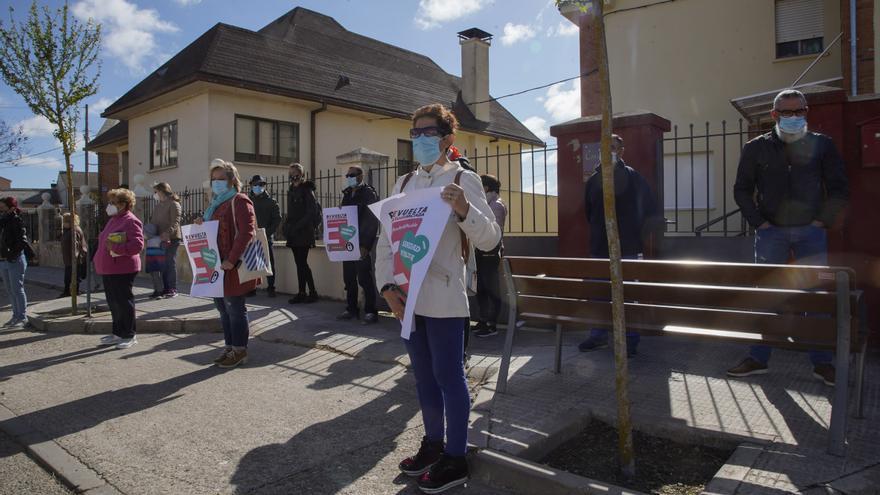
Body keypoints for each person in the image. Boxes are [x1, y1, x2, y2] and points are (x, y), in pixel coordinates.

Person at [376, 104, 502, 493]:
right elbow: (386, 242)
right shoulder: (402, 185)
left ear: (448, 139)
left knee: (450, 377)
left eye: (427, 133)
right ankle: (433, 445)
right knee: (424, 377)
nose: (419, 140)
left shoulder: (464, 179)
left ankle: (456, 457)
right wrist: (386, 288)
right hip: (408, 297)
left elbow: (490, 239)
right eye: (414, 134)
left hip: (446, 296)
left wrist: (464, 209)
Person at [727, 89, 849, 386]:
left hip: (811, 231)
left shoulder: (822, 145)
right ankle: (758, 358)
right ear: (774, 115)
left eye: (799, 111)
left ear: (806, 112)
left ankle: (822, 364)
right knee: (767, 293)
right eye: (787, 112)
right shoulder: (756, 148)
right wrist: (758, 222)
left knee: (815, 296)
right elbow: (742, 189)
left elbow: (838, 187)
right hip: (772, 233)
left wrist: (824, 221)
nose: (794, 117)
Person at [577, 134, 659, 356]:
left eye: (613, 147)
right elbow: (588, 211)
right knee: (599, 294)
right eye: (605, 147)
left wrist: (633, 233)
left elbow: (650, 210)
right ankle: (599, 335)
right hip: (599, 248)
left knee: (627, 295)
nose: (609, 151)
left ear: (622, 151)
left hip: (628, 249)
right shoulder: (594, 180)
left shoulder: (633, 177)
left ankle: (630, 339)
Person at [195, 159, 257, 368]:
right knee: (223, 309)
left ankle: (240, 350)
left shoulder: (239, 200)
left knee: (235, 309)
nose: (217, 183)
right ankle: (229, 347)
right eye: (214, 179)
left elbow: (247, 232)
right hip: (215, 266)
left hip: (232, 266)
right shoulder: (215, 204)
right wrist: (200, 224)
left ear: (232, 180)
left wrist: (232, 259)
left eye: (221, 179)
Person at [94, 188, 144, 349]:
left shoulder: (130, 220)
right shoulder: (114, 219)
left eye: (113, 203)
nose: (110, 206)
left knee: (123, 302)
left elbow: (137, 245)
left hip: (123, 268)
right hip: (109, 268)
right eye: (109, 202)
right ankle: (118, 333)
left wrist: (116, 246)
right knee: (113, 302)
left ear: (123, 205)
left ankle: (129, 334)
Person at [337, 165, 380, 324]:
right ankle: (351, 309)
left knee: (364, 278)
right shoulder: (347, 194)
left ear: (361, 176)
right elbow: (343, 217)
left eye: (352, 174)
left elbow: (371, 220)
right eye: (347, 175)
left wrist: (365, 245)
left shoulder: (369, 193)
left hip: (361, 242)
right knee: (349, 278)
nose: (349, 177)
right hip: (347, 242)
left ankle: (370, 311)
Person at [471, 174, 507, 338]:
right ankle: (483, 320)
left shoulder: (496, 205)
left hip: (490, 253)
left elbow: (494, 231)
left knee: (491, 288)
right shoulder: (489, 204)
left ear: (485, 188)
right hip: (481, 251)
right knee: (481, 289)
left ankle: (492, 324)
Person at [284, 163, 319, 304]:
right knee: (299, 263)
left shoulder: (307, 189)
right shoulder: (291, 189)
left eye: (296, 173)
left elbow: (311, 212)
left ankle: (312, 292)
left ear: (302, 174)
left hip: (303, 232)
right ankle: (301, 292)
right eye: (291, 173)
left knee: (302, 263)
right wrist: (287, 226)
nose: (293, 176)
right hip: (293, 232)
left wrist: (297, 226)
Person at [248, 175, 281, 297]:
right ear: (251, 185)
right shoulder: (248, 201)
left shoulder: (271, 202)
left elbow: (277, 219)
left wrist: (267, 233)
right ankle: (252, 287)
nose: (258, 187)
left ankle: (271, 287)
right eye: (255, 184)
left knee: (269, 263)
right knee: (252, 262)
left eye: (261, 184)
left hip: (267, 237)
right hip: (251, 237)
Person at [0, 197, 30, 328]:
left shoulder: (17, 220)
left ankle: (22, 317)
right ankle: (15, 316)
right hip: (3, 260)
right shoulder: (3, 222)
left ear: (11, 207)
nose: (1, 209)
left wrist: (12, 254)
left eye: (3, 207)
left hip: (15, 259)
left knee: (17, 289)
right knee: (10, 290)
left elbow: (22, 241)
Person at [150, 182, 182, 298]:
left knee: (169, 262)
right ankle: (163, 289)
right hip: (158, 239)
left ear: (162, 191)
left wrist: (167, 233)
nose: (155, 194)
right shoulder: (158, 206)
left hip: (172, 238)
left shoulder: (174, 204)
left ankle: (172, 288)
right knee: (161, 264)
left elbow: (176, 221)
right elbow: (153, 222)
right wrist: (149, 232)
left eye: (156, 192)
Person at [59, 212, 87, 299]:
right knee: (68, 277)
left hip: (75, 259)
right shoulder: (68, 230)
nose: (63, 223)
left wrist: (75, 257)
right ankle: (67, 291)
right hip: (69, 259)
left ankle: (73, 291)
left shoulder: (74, 231)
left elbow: (76, 246)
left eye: (65, 221)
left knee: (73, 277)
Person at [143, 223, 166, 299]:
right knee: (153, 277)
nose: (143, 234)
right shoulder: (148, 240)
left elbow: (165, 245)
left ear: (149, 232)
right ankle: (156, 291)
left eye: (144, 232)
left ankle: (160, 292)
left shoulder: (158, 239)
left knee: (157, 277)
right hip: (151, 261)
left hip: (157, 262)